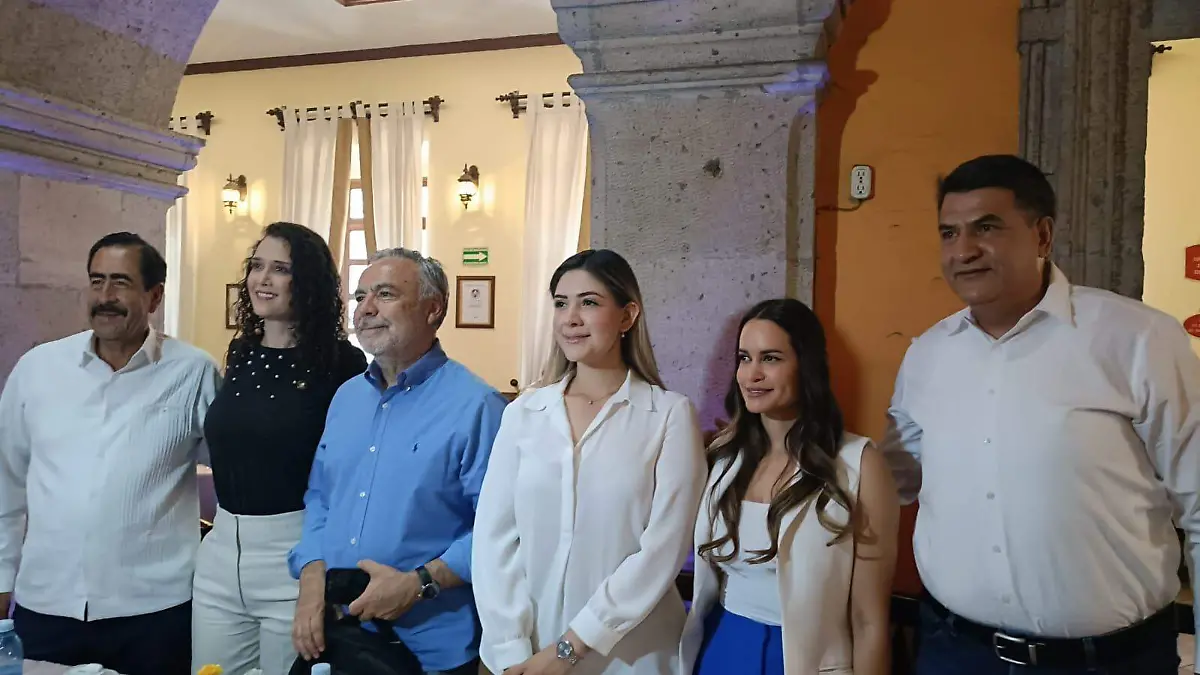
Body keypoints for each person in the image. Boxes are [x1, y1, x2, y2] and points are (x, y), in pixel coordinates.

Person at [882, 154, 1200, 674]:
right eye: (949, 233)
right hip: (955, 652)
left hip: (1109, 662)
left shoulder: (1138, 340)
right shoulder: (927, 355)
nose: (964, 250)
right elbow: (892, 480)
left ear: (1043, 236)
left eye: (987, 228)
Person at [473, 249, 707, 675]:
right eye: (561, 304)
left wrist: (570, 648)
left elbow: (662, 550)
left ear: (627, 316)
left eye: (589, 302)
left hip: (632, 657)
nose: (571, 318)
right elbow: (494, 541)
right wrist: (511, 651)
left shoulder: (667, 415)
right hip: (529, 655)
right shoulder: (524, 414)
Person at [0, 232, 220, 675]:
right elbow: (6, 484)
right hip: (47, 604)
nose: (105, 297)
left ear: (154, 296)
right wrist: (3, 580)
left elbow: (237, 478)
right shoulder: (38, 369)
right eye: (97, 280)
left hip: (156, 611)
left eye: (121, 282)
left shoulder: (194, 372)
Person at [288, 247, 506, 675]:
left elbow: (499, 528)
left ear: (433, 309)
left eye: (385, 294)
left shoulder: (478, 406)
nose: (366, 309)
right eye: (360, 296)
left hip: (432, 646)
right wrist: (311, 578)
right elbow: (321, 499)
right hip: (339, 634)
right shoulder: (347, 398)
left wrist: (419, 583)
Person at [680, 298, 898, 675]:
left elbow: (869, 621)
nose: (752, 374)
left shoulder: (858, 464)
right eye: (744, 358)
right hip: (720, 648)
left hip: (805, 661)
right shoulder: (722, 458)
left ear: (806, 366)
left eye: (771, 358)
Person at [192, 222, 366, 675]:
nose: (262, 279)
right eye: (257, 266)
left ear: (307, 282)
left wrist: (322, 569)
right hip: (220, 553)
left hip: (293, 555)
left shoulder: (341, 363)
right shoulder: (242, 352)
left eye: (280, 269)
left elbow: (349, 474)